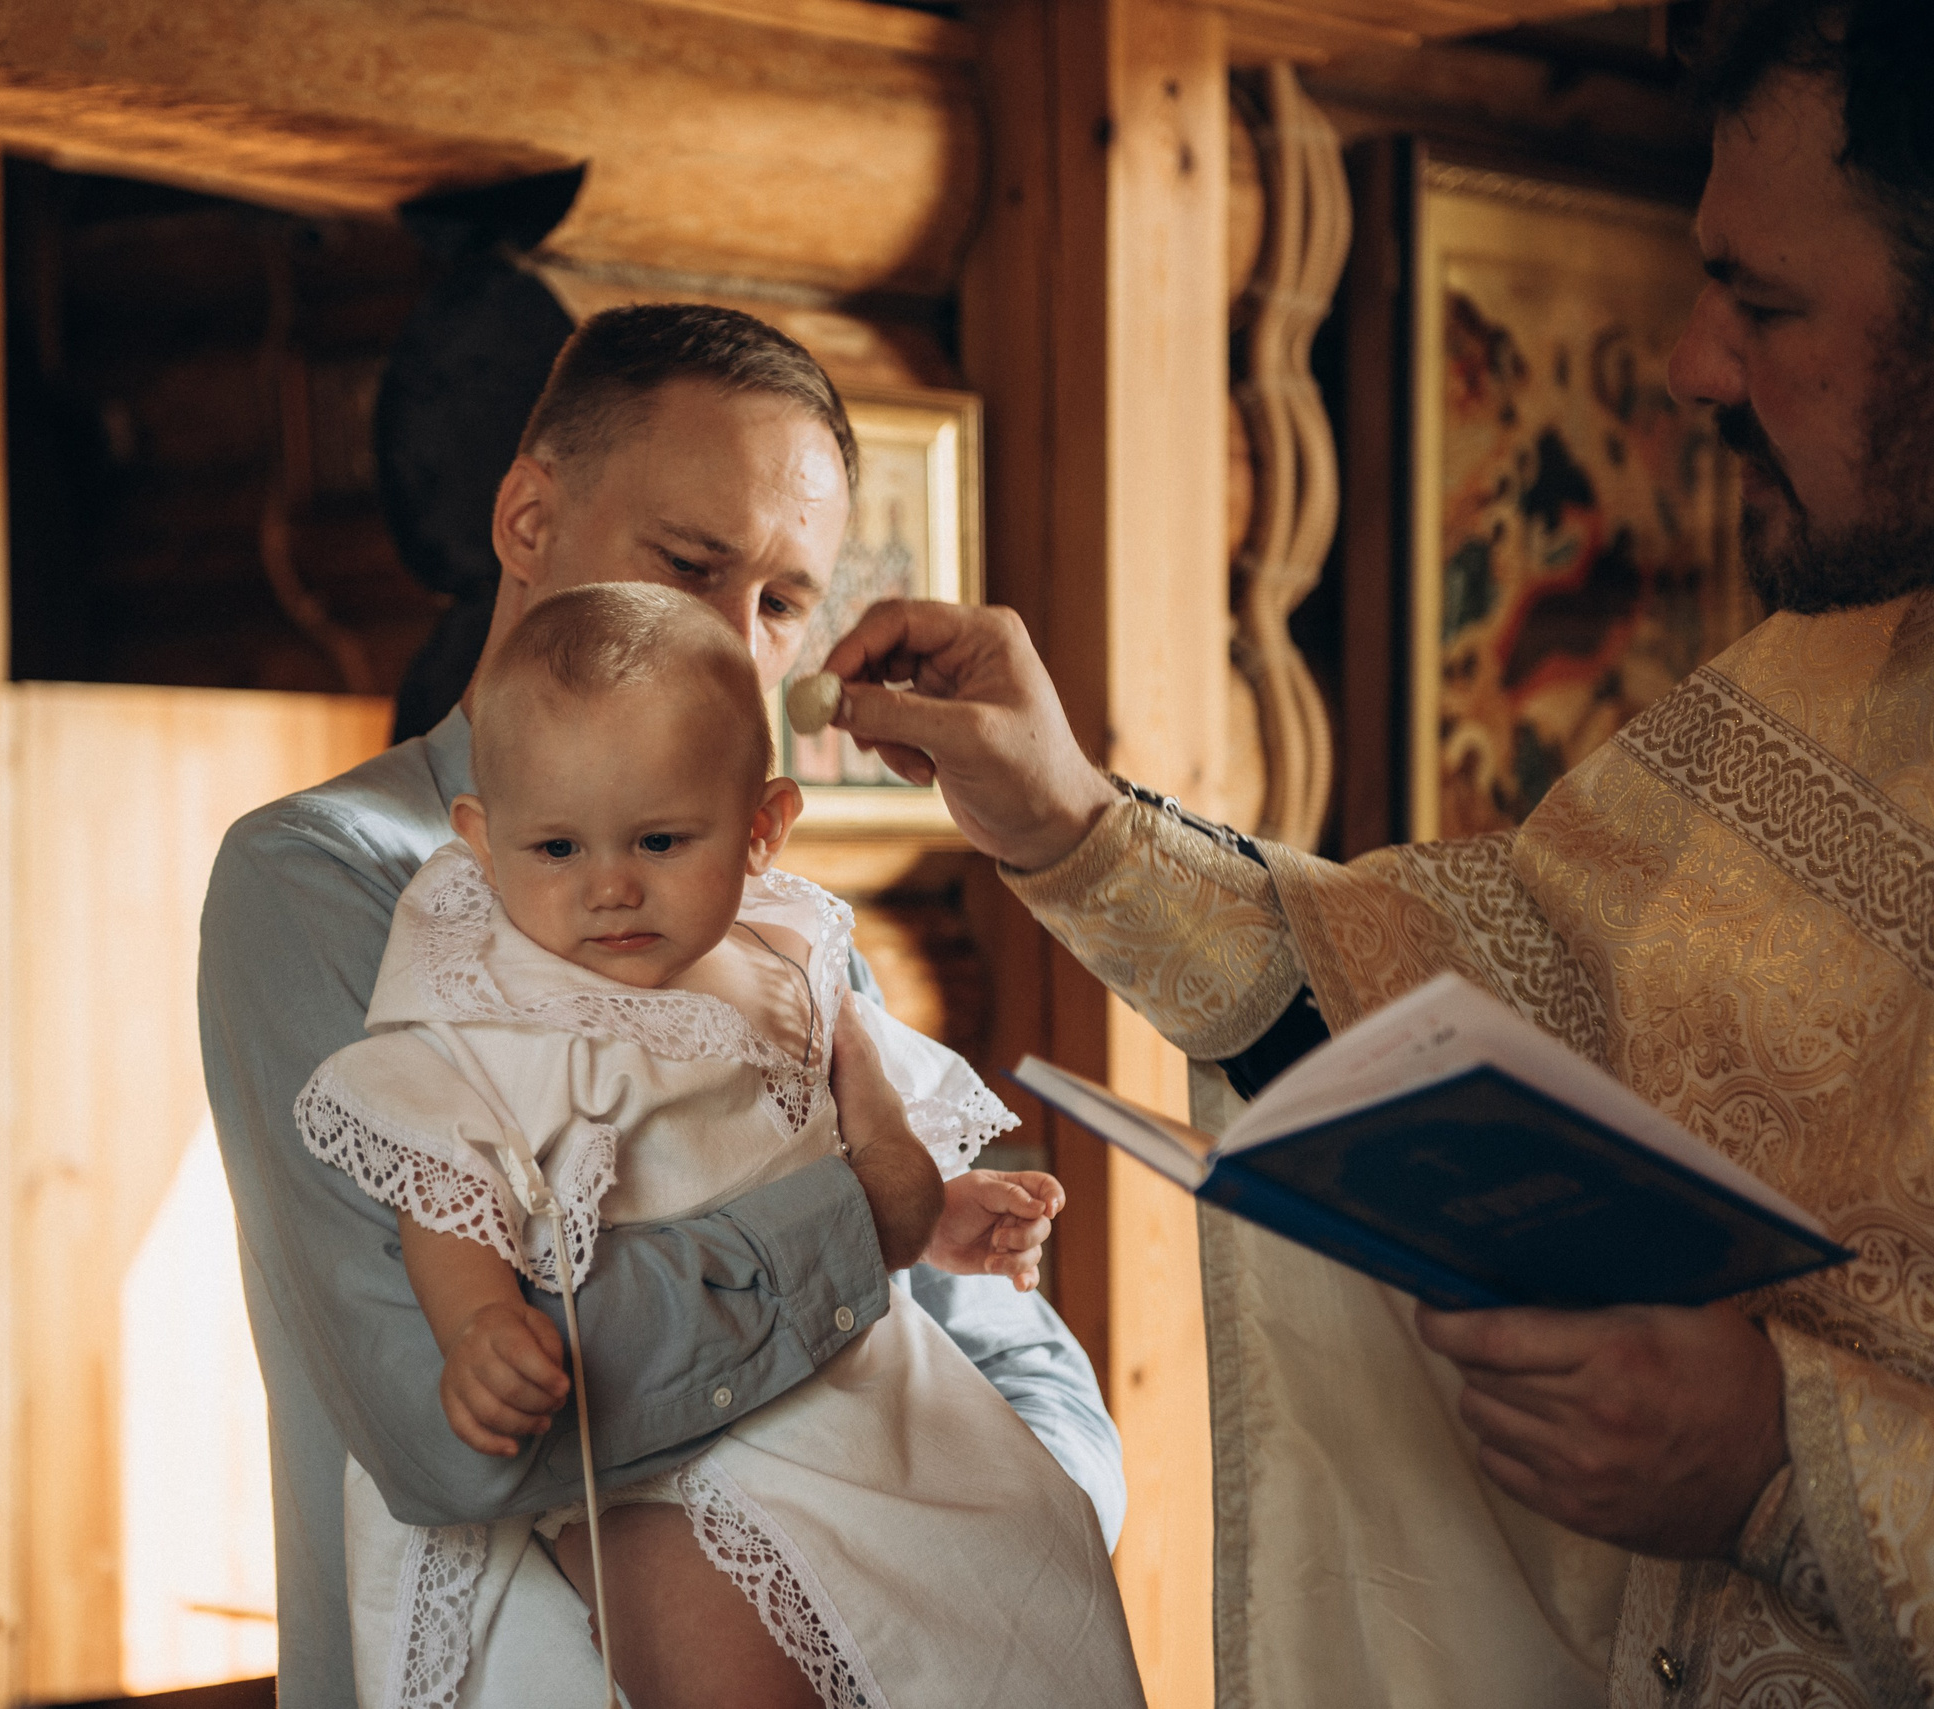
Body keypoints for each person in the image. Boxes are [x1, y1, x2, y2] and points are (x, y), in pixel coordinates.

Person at [800, 1, 1934, 1703]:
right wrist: (1076, 827)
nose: (1696, 362)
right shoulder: (1824, 684)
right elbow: (1451, 992)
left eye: (1767, 303)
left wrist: (1789, 1464)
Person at [199, 304, 1126, 1708]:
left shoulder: (774, 919)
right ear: (527, 520)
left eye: (783, 603)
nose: (738, 646)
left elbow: (1023, 1370)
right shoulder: (330, 886)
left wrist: (980, 1555)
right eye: (690, 566)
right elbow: (459, 1435)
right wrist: (852, 1230)